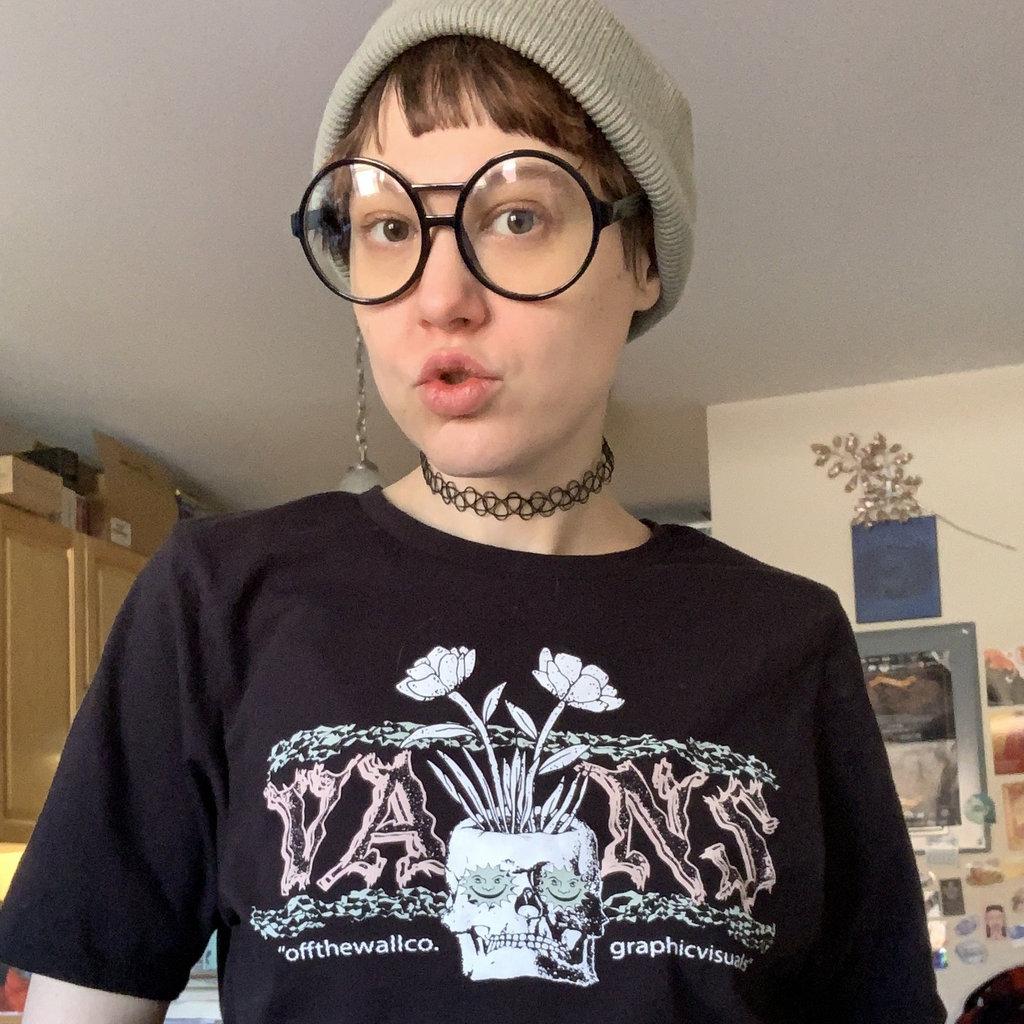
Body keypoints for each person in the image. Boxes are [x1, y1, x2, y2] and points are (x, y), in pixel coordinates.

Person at [0, 0, 945, 1021]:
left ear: (643, 258)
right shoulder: (216, 599)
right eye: (388, 226)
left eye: (517, 216)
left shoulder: (785, 639)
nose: (440, 294)